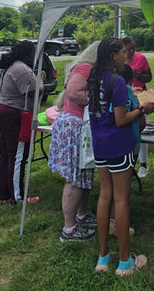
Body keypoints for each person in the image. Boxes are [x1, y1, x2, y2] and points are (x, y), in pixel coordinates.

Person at [87, 37, 154, 276]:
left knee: (104, 197)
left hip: (100, 147)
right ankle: (125, 263)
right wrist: (142, 109)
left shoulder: (93, 78)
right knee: (121, 200)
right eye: (122, 52)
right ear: (112, 56)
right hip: (118, 146)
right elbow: (121, 120)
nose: (126, 55)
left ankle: (103, 258)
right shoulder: (116, 81)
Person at [48, 41, 99, 242]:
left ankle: (81, 215)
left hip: (79, 125)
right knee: (75, 178)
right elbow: (73, 92)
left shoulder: (88, 68)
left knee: (84, 175)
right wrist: (99, 98)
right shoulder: (85, 67)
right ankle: (69, 229)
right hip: (74, 126)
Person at [0, 40, 45, 205]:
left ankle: (4, 194)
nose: (35, 56)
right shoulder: (22, 69)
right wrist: (40, 80)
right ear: (27, 54)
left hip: (3, 112)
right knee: (17, 156)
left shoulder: (13, 66)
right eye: (33, 53)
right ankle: (17, 197)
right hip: (14, 115)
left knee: (5, 155)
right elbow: (35, 94)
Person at [122, 36, 153, 178]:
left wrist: (138, 75)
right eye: (128, 49)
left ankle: (143, 164)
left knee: (141, 128)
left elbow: (149, 77)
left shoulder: (141, 58)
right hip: (124, 98)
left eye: (133, 49)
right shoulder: (118, 59)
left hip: (141, 98)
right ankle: (127, 162)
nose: (131, 52)